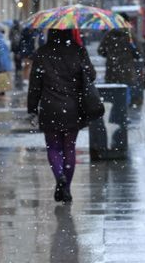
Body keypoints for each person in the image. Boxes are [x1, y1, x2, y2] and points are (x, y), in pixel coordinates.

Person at [27, 29, 96, 202]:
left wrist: (32, 109)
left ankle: (59, 176)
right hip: (72, 107)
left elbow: (34, 85)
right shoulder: (78, 50)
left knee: (53, 147)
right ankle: (66, 187)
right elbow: (91, 75)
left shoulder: (42, 53)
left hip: (50, 107)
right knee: (69, 147)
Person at [0, 24, 13, 96]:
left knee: (0, 77)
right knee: (0, 77)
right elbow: (1, 52)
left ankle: (0, 94)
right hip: (0, 63)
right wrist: (3, 64)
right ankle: (0, 95)